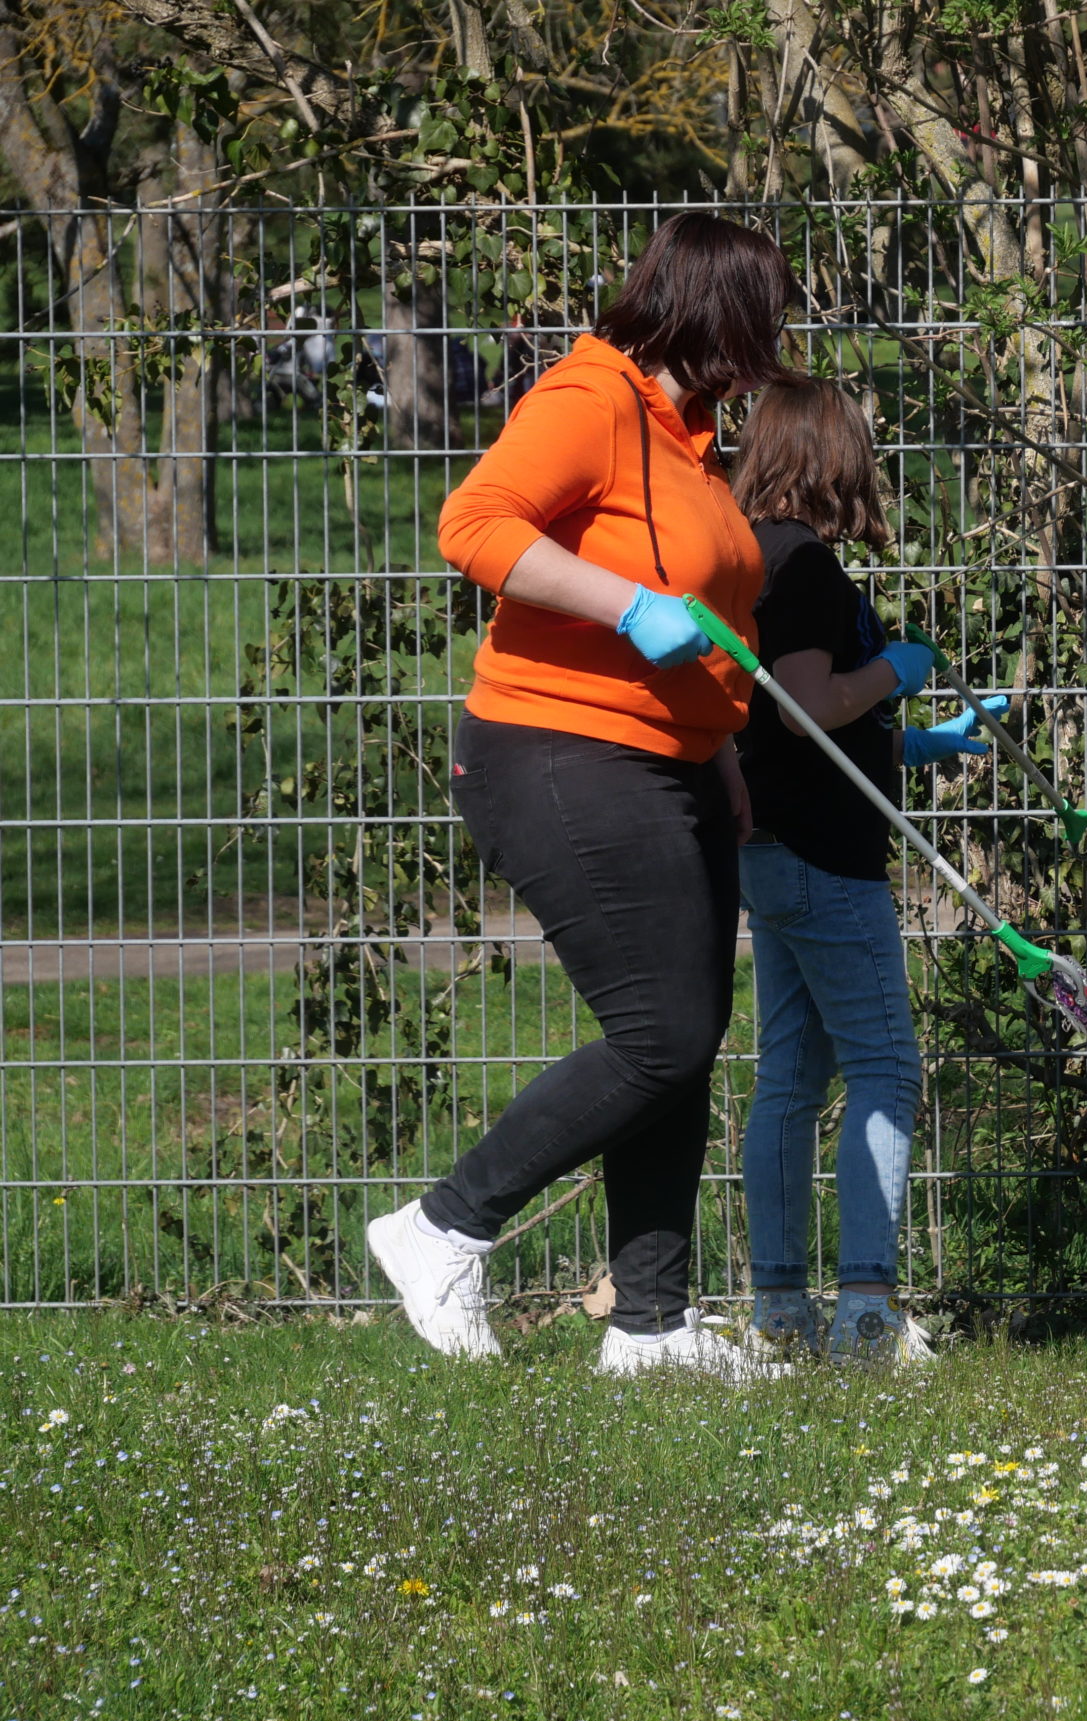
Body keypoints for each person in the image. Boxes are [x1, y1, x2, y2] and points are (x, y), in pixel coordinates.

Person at [367, 210, 808, 1381]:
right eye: (765, 316)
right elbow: (473, 525)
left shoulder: (691, 436)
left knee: (685, 1039)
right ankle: (443, 1227)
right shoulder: (590, 399)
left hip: (671, 761)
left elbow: (706, 618)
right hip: (556, 750)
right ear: (717, 312)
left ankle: (651, 1329)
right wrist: (621, 604)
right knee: (662, 1034)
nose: (777, 341)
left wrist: (715, 747)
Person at [724, 376, 1001, 1362]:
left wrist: (923, 742)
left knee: (790, 1080)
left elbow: (801, 731)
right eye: (863, 447)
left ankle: (781, 1315)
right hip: (824, 860)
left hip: (775, 850)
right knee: (885, 1068)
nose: (871, 464)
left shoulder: (749, 555)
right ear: (830, 455)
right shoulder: (799, 566)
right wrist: (901, 667)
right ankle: (868, 1313)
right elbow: (807, 706)